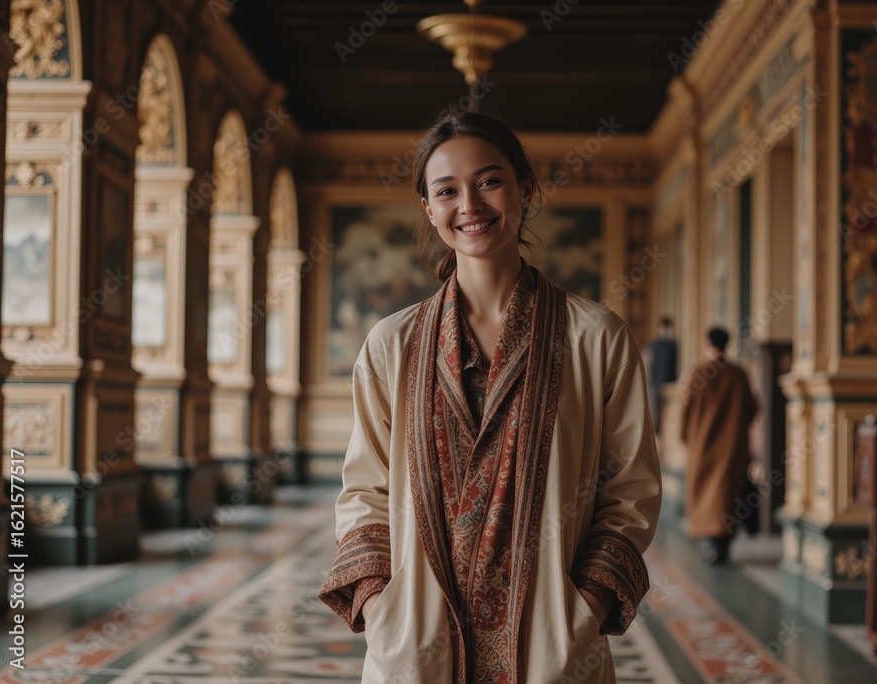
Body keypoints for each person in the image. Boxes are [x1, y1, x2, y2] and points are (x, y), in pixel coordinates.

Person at [318, 112, 662, 683]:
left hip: (550, 649)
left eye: (489, 181)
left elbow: (631, 490)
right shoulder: (390, 344)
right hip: (418, 649)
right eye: (446, 190)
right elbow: (364, 491)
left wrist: (587, 608)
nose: (469, 205)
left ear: (525, 189)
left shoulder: (595, 336)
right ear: (429, 209)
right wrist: (382, 609)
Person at [680, 327, 758, 565]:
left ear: (707, 343)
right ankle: (722, 543)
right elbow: (753, 409)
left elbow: (686, 410)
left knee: (706, 494)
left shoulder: (698, 373)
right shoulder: (739, 374)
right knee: (728, 494)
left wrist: (685, 437)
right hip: (732, 446)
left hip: (702, 445)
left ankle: (712, 543)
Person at [647, 316, 678, 435]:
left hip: (670, 381)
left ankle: (666, 432)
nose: (664, 330)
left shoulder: (673, 345)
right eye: (663, 328)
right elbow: (651, 365)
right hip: (657, 381)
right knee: (656, 409)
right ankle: (657, 432)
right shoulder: (654, 345)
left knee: (668, 410)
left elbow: (674, 363)